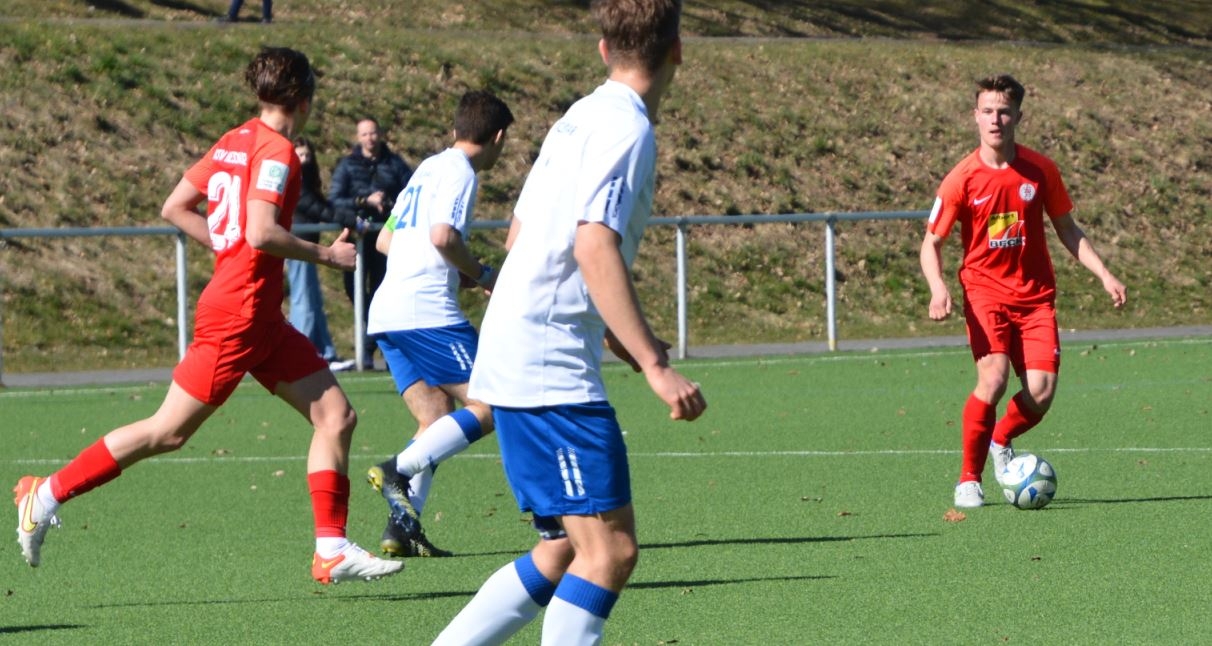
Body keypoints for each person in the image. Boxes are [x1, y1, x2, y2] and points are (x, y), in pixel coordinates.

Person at [12, 47, 403, 586]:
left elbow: (175, 206)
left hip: (260, 317)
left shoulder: (233, 139)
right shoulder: (277, 151)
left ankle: (331, 549)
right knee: (167, 432)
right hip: (238, 315)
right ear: (303, 97)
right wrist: (326, 255)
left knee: (336, 417)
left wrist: (229, 250)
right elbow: (260, 232)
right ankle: (46, 493)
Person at [432, 2, 706, 643]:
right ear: (677, 50)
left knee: (562, 548)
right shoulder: (627, 130)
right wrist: (655, 365)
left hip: (518, 341)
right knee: (609, 552)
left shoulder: (578, 117)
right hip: (546, 362)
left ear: (604, 49)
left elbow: (522, 235)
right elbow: (592, 245)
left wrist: (617, 332)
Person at [919, 74, 1127, 508]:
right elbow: (931, 243)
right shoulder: (961, 178)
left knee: (1042, 393)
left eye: (1004, 112)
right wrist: (938, 288)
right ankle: (969, 478)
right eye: (988, 111)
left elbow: (1067, 228)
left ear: (1018, 116)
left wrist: (1104, 274)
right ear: (975, 116)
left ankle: (1000, 439)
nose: (996, 119)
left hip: (1034, 299)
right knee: (993, 380)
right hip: (985, 295)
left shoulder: (1041, 170)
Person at [363, 90, 514, 559]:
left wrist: (450, 270)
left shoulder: (428, 167)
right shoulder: (461, 172)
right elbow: (444, 236)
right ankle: (398, 468)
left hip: (388, 310)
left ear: (454, 130)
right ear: (498, 137)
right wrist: (480, 273)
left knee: (434, 420)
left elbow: (386, 241)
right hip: (425, 312)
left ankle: (402, 529)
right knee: (493, 402)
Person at [329, 118, 412, 369]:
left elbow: (411, 195)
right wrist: (364, 201)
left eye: (373, 133)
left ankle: (370, 348)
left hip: (385, 239)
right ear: (358, 137)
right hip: (355, 239)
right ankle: (375, 339)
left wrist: (389, 204)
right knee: (354, 291)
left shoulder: (395, 164)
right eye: (364, 134)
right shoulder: (347, 165)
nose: (370, 138)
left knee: (382, 292)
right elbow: (335, 199)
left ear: (380, 134)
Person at [289, 137, 361, 372]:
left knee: (314, 301)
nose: (305, 160)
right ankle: (300, 356)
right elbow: (312, 206)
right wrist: (345, 218)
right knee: (304, 301)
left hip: (308, 246)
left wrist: (347, 214)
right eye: (300, 155)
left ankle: (325, 354)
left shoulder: (307, 179)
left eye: (307, 155)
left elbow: (322, 204)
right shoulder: (293, 180)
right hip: (298, 246)